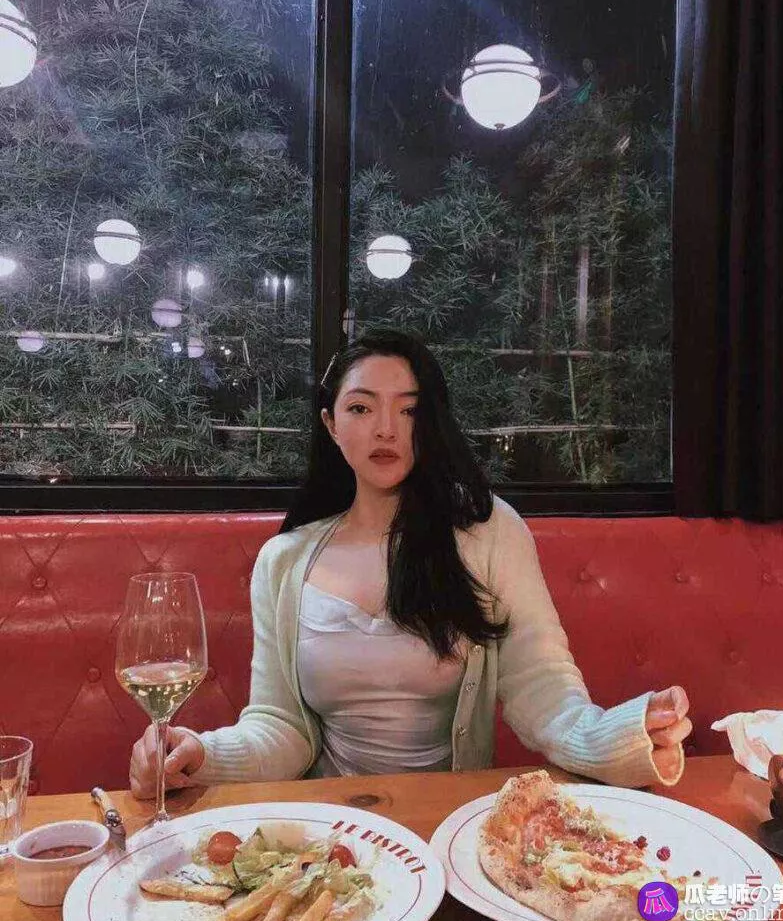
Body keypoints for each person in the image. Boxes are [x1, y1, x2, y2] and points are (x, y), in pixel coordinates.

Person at [129, 328, 691, 797]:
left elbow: (541, 685)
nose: (386, 429)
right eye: (360, 407)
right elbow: (280, 728)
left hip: (450, 824)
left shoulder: (488, 532)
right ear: (331, 424)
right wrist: (200, 753)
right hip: (330, 832)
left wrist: (622, 736)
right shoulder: (285, 561)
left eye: (409, 410)